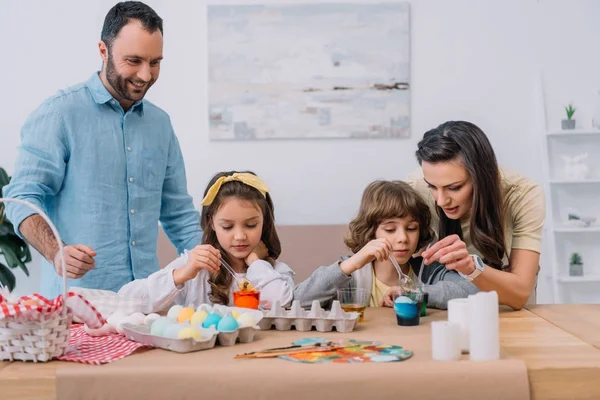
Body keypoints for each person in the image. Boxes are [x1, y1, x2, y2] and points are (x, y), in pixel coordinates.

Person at [3, 1, 201, 297]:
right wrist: (56, 251)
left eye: (155, 62)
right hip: (78, 306)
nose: (146, 75)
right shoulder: (59, 115)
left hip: (147, 303)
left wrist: (223, 267)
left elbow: (179, 214)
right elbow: (21, 199)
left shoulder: (160, 124)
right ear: (103, 51)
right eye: (134, 61)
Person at [410, 120, 545, 310]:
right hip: (444, 309)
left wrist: (471, 267)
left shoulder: (523, 195)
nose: (440, 201)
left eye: (454, 188)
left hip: (508, 306)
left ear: (480, 176)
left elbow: (519, 294)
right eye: (432, 186)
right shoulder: (415, 188)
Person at [119, 171, 295, 312]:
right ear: (211, 222)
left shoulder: (275, 273)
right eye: (227, 226)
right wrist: (181, 274)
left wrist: (255, 263)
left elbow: (282, 303)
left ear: (264, 222)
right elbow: (126, 299)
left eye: (250, 225)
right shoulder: (196, 268)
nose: (240, 236)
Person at [293, 180, 478, 310]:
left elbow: (472, 292)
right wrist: (351, 264)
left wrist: (413, 293)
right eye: (390, 230)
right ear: (371, 231)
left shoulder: (428, 271)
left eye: (411, 228)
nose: (402, 238)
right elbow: (298, 300)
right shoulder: (352, 276)